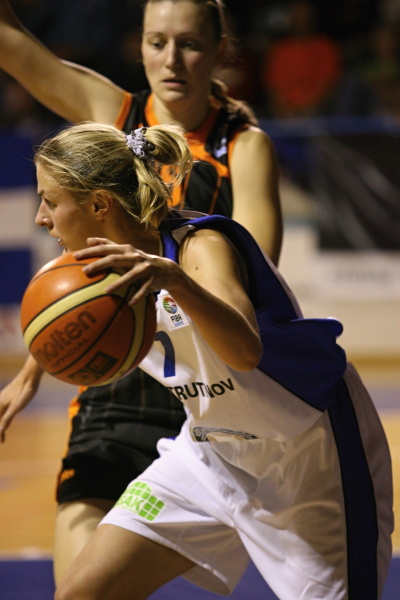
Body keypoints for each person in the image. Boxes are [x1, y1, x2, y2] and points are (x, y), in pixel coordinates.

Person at [32, 121, 393, 600]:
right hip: (211, 452)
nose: (41, 217)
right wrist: (31, 373)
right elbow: (62, 328)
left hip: (309, 453)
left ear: (99, 204)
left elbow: (245, 352)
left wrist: (175, 282)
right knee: (82, 593)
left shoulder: (198, 246)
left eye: (50, 200)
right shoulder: (92, 277)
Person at [0, 0, 283, 583]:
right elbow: (13, 46)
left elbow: (255, 278)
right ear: (140, 47)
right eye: (157, 42)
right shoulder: (115, 116)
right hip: (114, 386)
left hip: (203, 392)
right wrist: (35, 364)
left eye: (189, 44)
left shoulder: (240, 145)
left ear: (221, 51)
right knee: (78, 587)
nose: (171, 59)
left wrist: (167, 279)